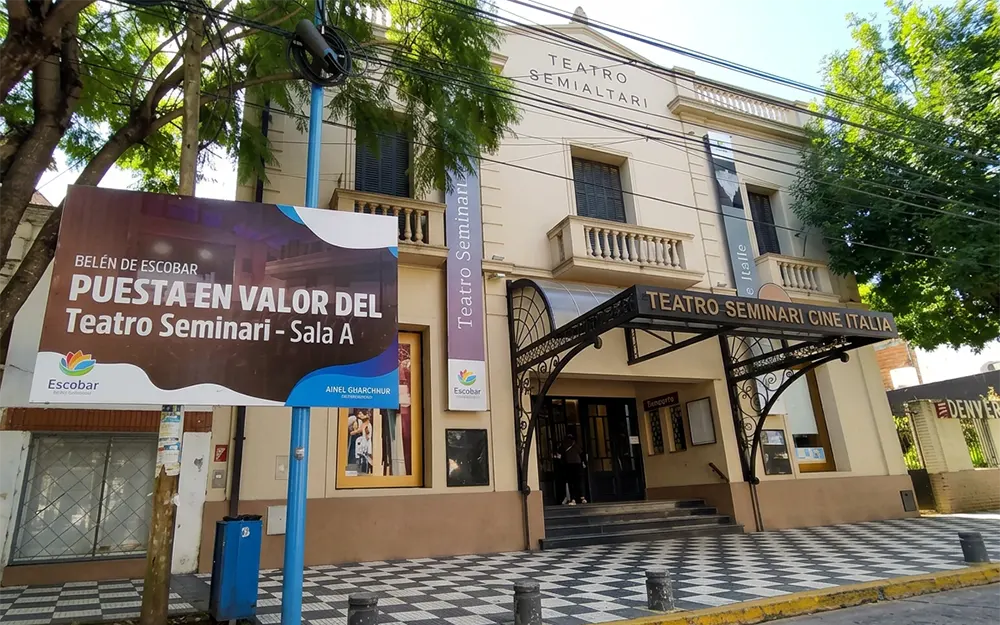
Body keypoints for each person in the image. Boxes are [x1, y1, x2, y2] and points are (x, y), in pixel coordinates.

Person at [558, 433, 587, 505]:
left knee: (571, 483)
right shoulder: (577, 446)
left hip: (569, 465)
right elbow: (582, 454)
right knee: (579, 481)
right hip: (578, 464)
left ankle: (573, 499)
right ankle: (582, 497)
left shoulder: (564, 445)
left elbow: (560, 454)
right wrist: (584, 463)